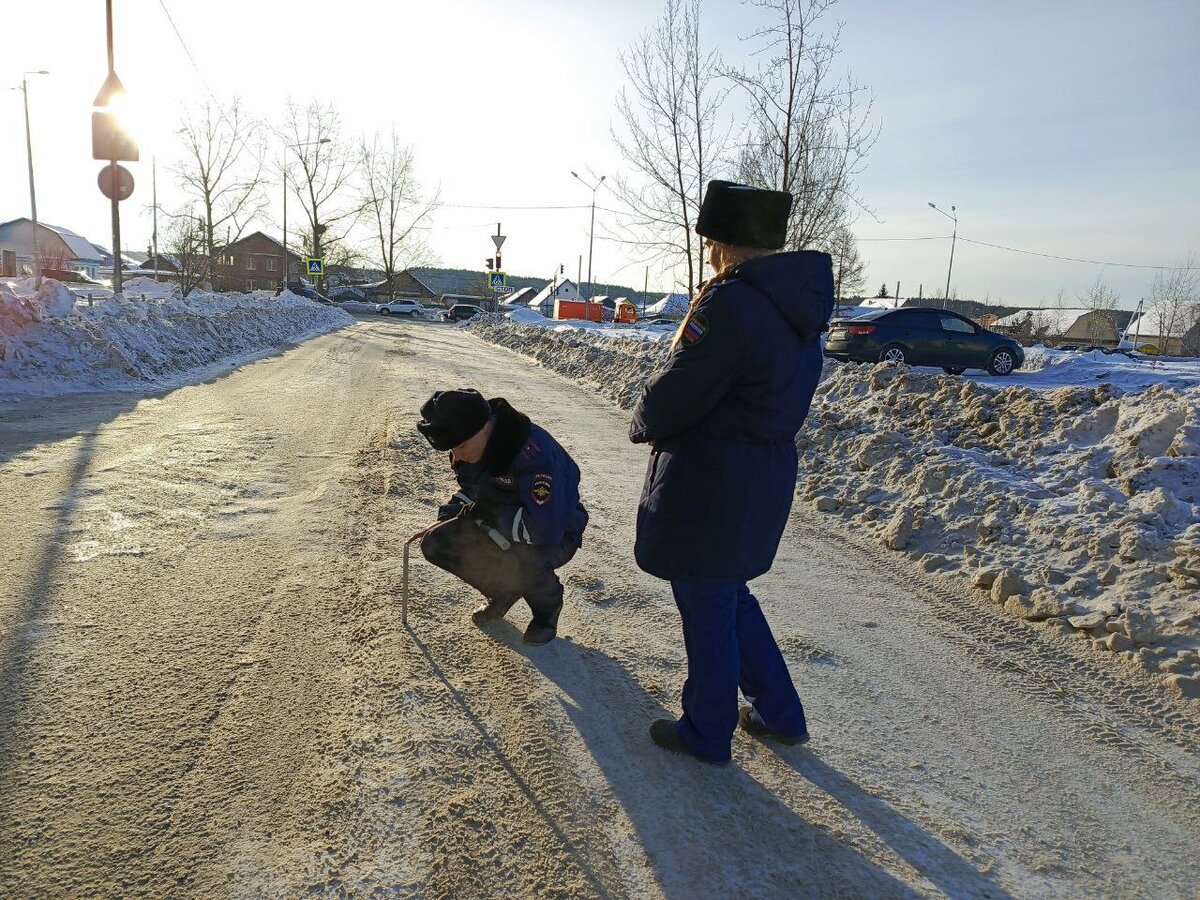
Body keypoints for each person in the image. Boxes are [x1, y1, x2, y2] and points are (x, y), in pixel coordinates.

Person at [629, 180, 834, 765]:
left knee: (706, 602)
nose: (709, 255)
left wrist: (645, 415)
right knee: (727, 594)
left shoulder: (731, 304)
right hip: (761, 470)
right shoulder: (796, 307)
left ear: (724, 243)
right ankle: (779, 712)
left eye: (712, 243)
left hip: (712, 474)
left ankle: (707, 729)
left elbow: (680, 389)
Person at [417, 389, 589, 645]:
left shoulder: (535, 456)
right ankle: (503, 591)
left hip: (555, 533)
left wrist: (488, 516)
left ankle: (546, 611)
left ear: (486, 426)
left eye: (461, 446)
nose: (457, 455)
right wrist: (452, 512)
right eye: (451, 449)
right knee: (437, 542)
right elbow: (475, 490)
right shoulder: (473, 443)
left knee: (521, 558)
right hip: (504, 519)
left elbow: (545, 529)